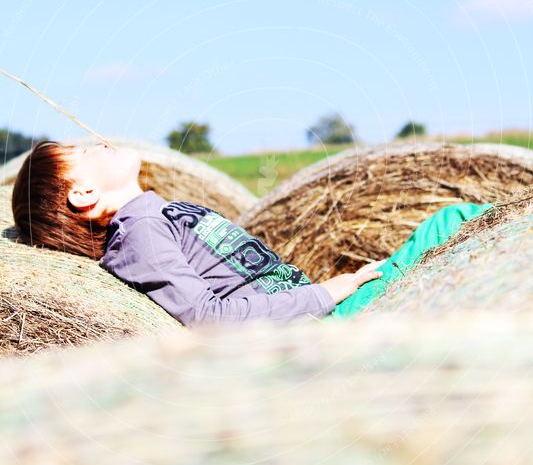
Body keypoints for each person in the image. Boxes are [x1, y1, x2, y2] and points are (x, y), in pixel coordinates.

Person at [11, 140, 494, 328]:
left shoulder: (153, 217)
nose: (100, 141)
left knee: (450, 225)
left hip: (320, 313)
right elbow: (207, 316)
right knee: (450, 223)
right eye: (83, 150)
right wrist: (326, 293)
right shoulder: (139, 235)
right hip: (320, 329)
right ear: (83, 196)